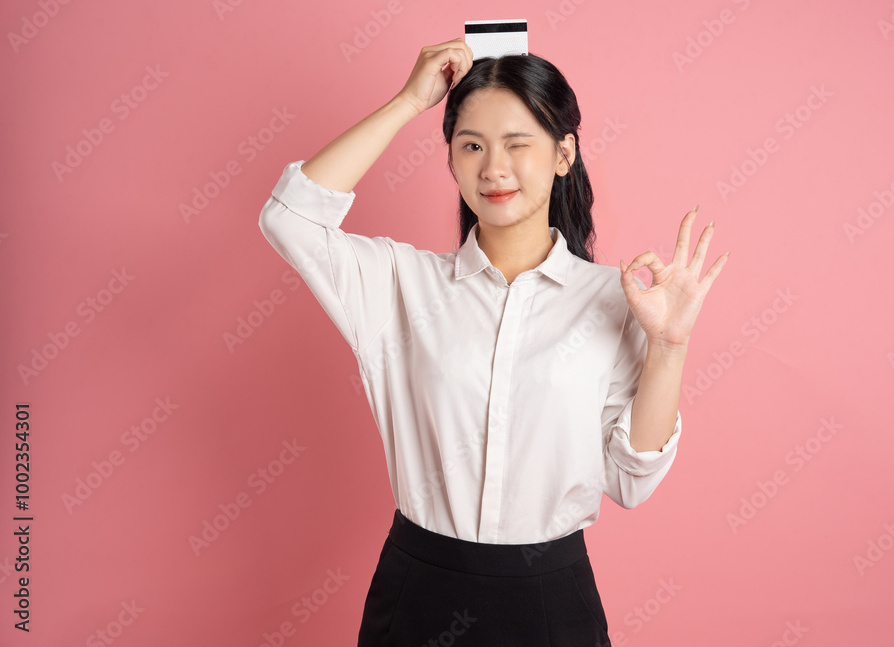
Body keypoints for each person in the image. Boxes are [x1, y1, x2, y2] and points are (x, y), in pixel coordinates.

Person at [258, 37, 728, 647]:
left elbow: (630, 482)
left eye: (517, 143)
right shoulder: (401, 285)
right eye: (471, 145)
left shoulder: (616, 301)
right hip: (420, 592)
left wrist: (668, 345)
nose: (493, 168)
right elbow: (289, 218)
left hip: (550, 598)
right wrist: (408, 101)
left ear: (564, 154)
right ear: (450, 160)